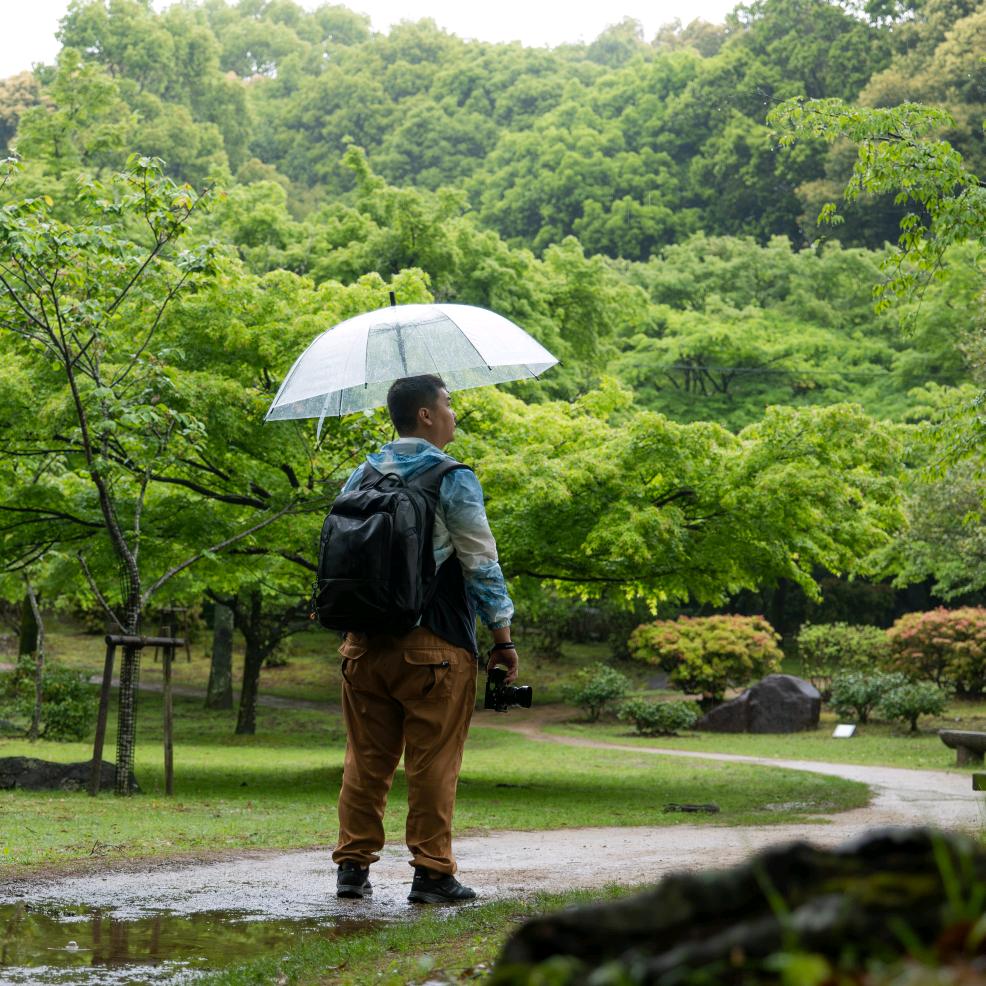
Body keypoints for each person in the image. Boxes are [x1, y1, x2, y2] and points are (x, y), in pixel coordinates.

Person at [333, 373, 517, 904]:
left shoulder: (362, 473)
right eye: (449, 403)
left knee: (365, 760)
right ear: (426, 415)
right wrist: (502, 639)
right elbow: (481, 564)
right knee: (432, 762)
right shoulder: (453, 478)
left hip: (362, 645)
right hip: (433, 645)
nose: (455, 413)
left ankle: (352, 868)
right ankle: (433, 873)